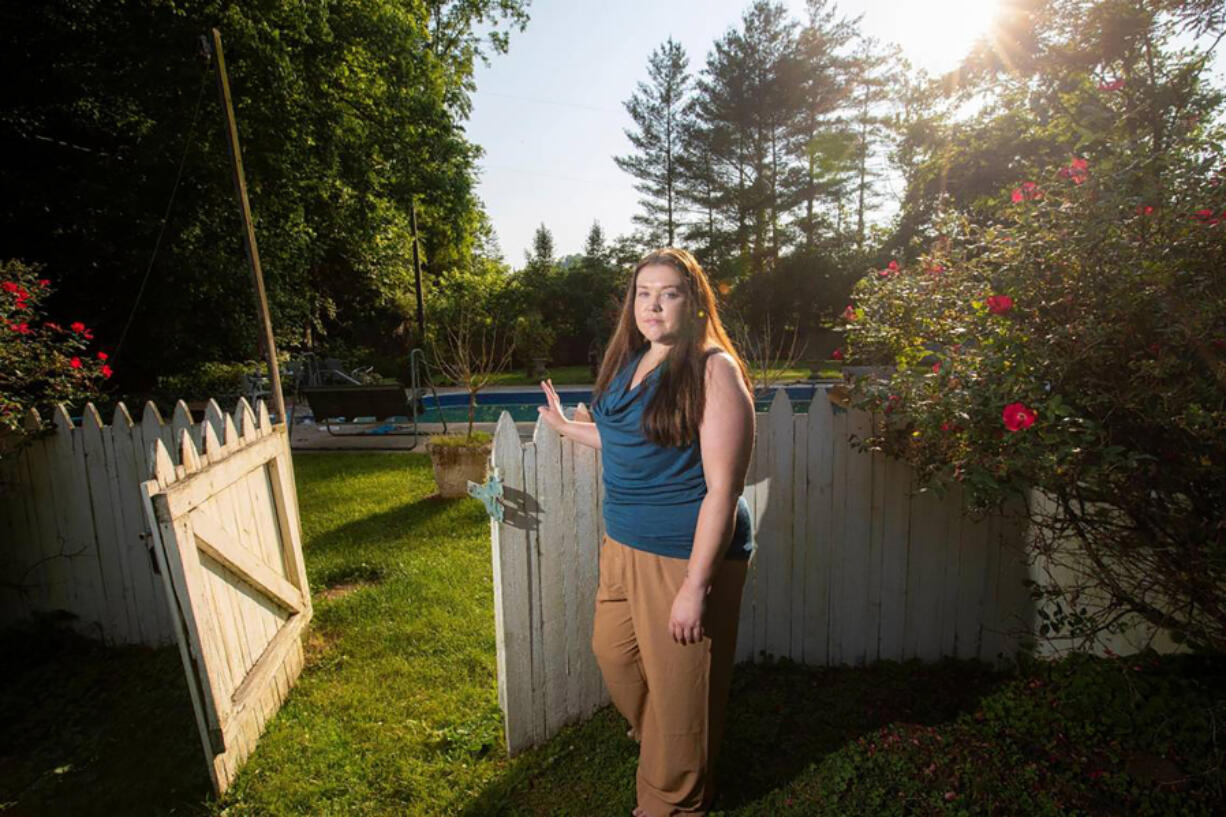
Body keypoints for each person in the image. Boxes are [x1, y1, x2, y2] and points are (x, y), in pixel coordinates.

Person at [537, 247, 756, 816]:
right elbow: (629, 441)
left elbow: (723, 491)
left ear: (695, 302)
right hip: (624, 543)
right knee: (615, 656)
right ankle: (666, 749)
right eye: (643, 293)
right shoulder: (635, 359)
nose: (652, 305)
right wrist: (566, 429)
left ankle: (672, 802)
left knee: (683, 697)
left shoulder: (713, 370)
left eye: (669, 293)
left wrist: (696, 587)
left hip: (686, 555)